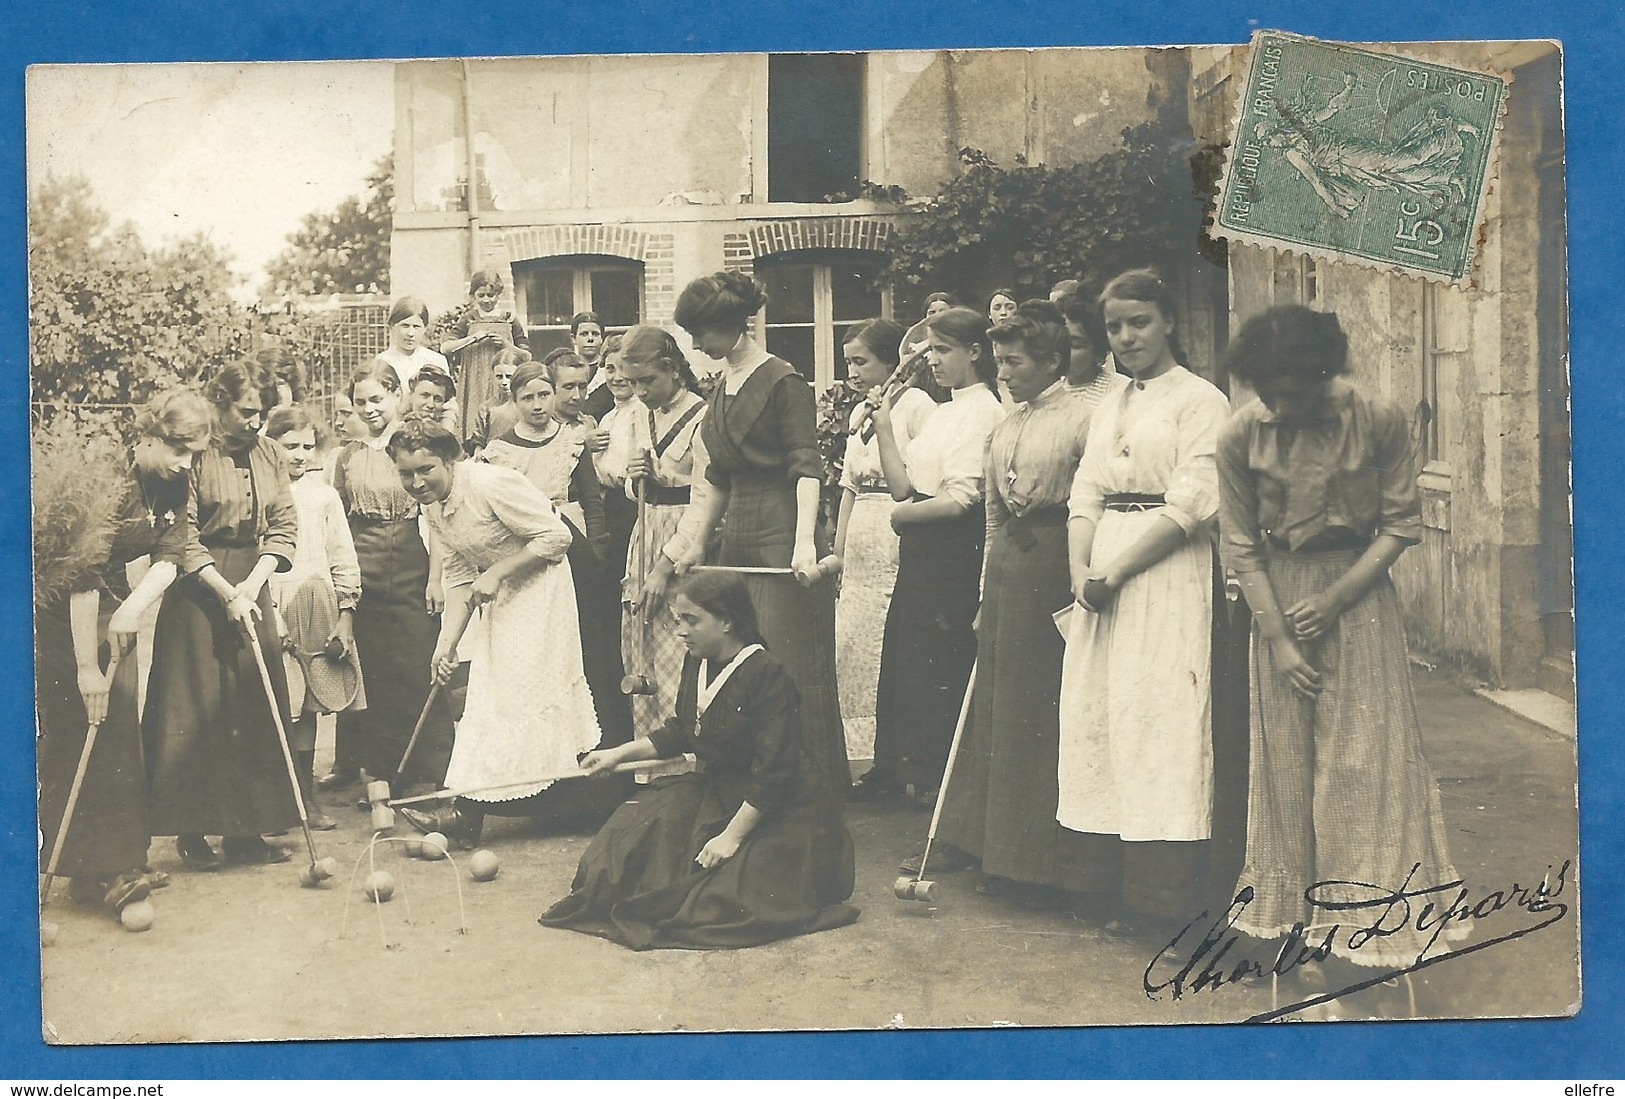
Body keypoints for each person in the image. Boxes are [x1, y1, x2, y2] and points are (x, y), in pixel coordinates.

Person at [1216, 304, 1464, 982]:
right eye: (1264, 391)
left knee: (1362, 764)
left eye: (1288, 391)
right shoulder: (1240, 433)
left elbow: (1398, 526)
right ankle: (1301, 932)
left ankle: (1365, 934)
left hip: (1356, 600)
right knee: (1286, 768)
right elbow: (1239, 544)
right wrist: (1279, 639)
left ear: (1321, 374)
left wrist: (1330, 601)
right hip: (1276, 601)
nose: (1275, 403)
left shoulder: (1376, 419)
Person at [540, 572, 859, 949]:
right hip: (721, 789)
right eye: (678, 620)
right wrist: (616, 755)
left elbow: (775, 774)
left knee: (721, 903)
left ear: (726, 621)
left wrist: (731, 838)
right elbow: (682, 730)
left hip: (777, 805)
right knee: (625, 849)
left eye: (691, 620)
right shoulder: (698, 661)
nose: (681, 631)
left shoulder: (766, 675)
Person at [927, 300, 1128, 894]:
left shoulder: (1083, 417)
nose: (1003, 372)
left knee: (1044, 707)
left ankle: (1043, 860)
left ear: (1051, 361)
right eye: (998, 361)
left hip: (1054, 562)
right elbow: (991, 517)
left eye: (1014, 361)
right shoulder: (1004, 423)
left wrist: (1082, 571)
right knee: (999, 704)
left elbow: (1092, 504)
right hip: (1010, 571)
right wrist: (986, 595)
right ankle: (992, 848)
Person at [1055, 268, 1232, 936]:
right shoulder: (1110, 403)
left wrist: (1118, 569)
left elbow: (1192, 503)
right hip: (1099, 576)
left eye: (1139, 322)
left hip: (1165, 574)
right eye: (1114, 327)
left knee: (1161, 719)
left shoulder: (1200, 400)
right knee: (1103, 714)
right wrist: (1080, 568)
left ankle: (1165, 899)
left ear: (1168, 322)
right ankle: (1102, 882)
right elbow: (1085, 491)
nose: (1126, 337)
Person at [645, 271, 850, 818]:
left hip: (784, 526)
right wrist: (691, 549)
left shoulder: (784, 381)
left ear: (736, 327)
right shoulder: (720, 390)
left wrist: (804, 543)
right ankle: (746, 790)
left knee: (784, 660)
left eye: (703, 334)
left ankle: (802, 794)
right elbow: (714, 479)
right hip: (736, 532)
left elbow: (808, 467)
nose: (695, 347)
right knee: (739, 660)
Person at [389, 420, 600, 848]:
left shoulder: (491, 484)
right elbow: (462, 575)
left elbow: (557, 537)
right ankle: (467, 811)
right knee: (490, 694)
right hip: (502, 594)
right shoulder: (432, 508)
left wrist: (500, 572)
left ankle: (569, 803)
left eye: (426, 469)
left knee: (527, 694)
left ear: (449, 459)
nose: (416, 482)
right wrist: (445, 644)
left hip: (548, 587)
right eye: (406, 474)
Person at [37, 389, 209, 910]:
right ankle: (90, 867)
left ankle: (115, 862)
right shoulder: (105, 479)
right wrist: (87, 668)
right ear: (149, 437)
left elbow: (170, 554)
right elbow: (80, 576)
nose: (187, 463)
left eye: (195, 454)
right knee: (85, 727)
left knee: (119, 731)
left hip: (111, 601)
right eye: (179, 450)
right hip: (62, 609)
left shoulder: (173, 483)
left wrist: (134, 607)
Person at [143, 363, 303, 870]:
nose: (258, 422)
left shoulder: (271, 453)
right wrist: (224, 590)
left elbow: (283, 524)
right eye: (248, 411)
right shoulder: (191, 454)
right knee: (197, 709)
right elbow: (182, 538)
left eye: (263, 413)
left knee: (254, 705)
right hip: (196, 590)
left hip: (252, 583)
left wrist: (251, 587)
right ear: (219, 401)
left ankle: (248, 830)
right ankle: (191, 831)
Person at [856, 309, 1004, 805]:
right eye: (931, 351)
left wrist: (902, 520)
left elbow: (962, 499)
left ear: (975, 353)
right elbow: (903, 487)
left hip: (952, 550)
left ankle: (939, 783)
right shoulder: (943, 412)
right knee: (908, 661)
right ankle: (906, 772)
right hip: (921, 548)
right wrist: (882, 426)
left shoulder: (985, 411)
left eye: (943, 351)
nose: (933, 362)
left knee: (940, 664)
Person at [484, 356, 633, 748]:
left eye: (544, 395)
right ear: (514, 401)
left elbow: (591, 499)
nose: (537, 405)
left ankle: (599, 739)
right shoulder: (498, 451)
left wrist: (597, 551)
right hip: (526, 551)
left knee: (586, 642)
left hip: (576, 546)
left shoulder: (571, 442)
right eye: (527, 397)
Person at [329, 360, 454, 795]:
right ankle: (384, 772)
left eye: (377, 399)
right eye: (360, 402)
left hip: (412, 558)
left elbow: (436, 516)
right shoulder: (347, 455)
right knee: (376, 671)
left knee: (419, 663)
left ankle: (430, 770)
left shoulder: (410, 447)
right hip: (365, 564)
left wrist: (435, 578)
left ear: (397, 395)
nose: (369, 409)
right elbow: (341, 522)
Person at [832, 318, 937, 772]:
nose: (853, 371)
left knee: (884, 642)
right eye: (848, 362)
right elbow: (848, 487)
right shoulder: (861, 413)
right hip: (859, 541)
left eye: (861, 361)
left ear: (892, 358)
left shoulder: (917, 407)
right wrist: (838, 553)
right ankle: (855, 753)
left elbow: (918, 480)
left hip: (896, 531)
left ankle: (890, 754)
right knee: (849, 643)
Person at [263, 405, 365, 832]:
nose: (300, 455)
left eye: (308, 446)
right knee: (276, 705)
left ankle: (308, 800)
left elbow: (342, 555)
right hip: (273, 603)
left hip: (317, 600)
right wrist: (271, 616)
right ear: (271, 445)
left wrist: (346, 615)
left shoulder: (323, 495)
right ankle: (273, 804)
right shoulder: (262, 493)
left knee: (308, 709)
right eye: (290, 446)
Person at [615, 325, 710, 746]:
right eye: (632, 383)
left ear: (672, 370)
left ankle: (685, 755)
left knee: (680, 639)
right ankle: (650, 765)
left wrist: (663, 567)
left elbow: (704, 500)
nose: (639, 391)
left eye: (647, 381)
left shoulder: (703, 417)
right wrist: (636, 480)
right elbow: (638, 489)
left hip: (683, 540)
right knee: (641, 643)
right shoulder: (640, 414)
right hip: (645, 529)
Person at [438, 267, 528, 443]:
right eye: (481, 295)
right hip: (474, 380)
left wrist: (507, 345)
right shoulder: (469, 318)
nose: (487, 300)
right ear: (474, 295)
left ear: (499, 294)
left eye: (491, 295)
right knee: (475, 417)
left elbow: (527, 355)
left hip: (504, 379)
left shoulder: (509, 318)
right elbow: (446, 347)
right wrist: (470, 339)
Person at [378, 296, 458, 433]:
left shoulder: (436, 360)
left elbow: (449, 405)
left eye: (416, 327)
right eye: (404, 326)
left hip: (431, 432)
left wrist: (445, 434)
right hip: (393, 431)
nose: (410, 333)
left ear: (425, 328)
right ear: (392, 326)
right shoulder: (382, 362)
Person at [465, 345, 528, 457]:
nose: (504, 382)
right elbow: (479, 439)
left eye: (509, 376)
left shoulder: (528, 404)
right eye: (499, 377)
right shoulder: (487, 407)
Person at [571, 312, 616, 422]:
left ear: (602, 339)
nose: (590, 339)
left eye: (595, 334)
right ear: (574, 338)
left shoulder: (610, 371)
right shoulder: (566, 370)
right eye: (584, 334)